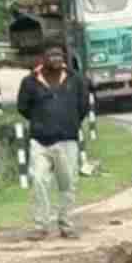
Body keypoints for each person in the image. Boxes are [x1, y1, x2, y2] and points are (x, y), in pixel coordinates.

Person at [16, 42, 89, 240]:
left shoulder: (76, 80)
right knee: (38, 180)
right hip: (40, 141)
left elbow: (83, 107)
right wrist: (42, 122)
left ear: (64, 57)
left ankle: (66, 225)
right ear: (43, 58)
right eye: (52, 55)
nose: (56, 58)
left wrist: (69, 122)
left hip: (67, 140)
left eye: (59, 55)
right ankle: (41, 226)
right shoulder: (30, 81)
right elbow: (23, 107)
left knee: (67, 184)